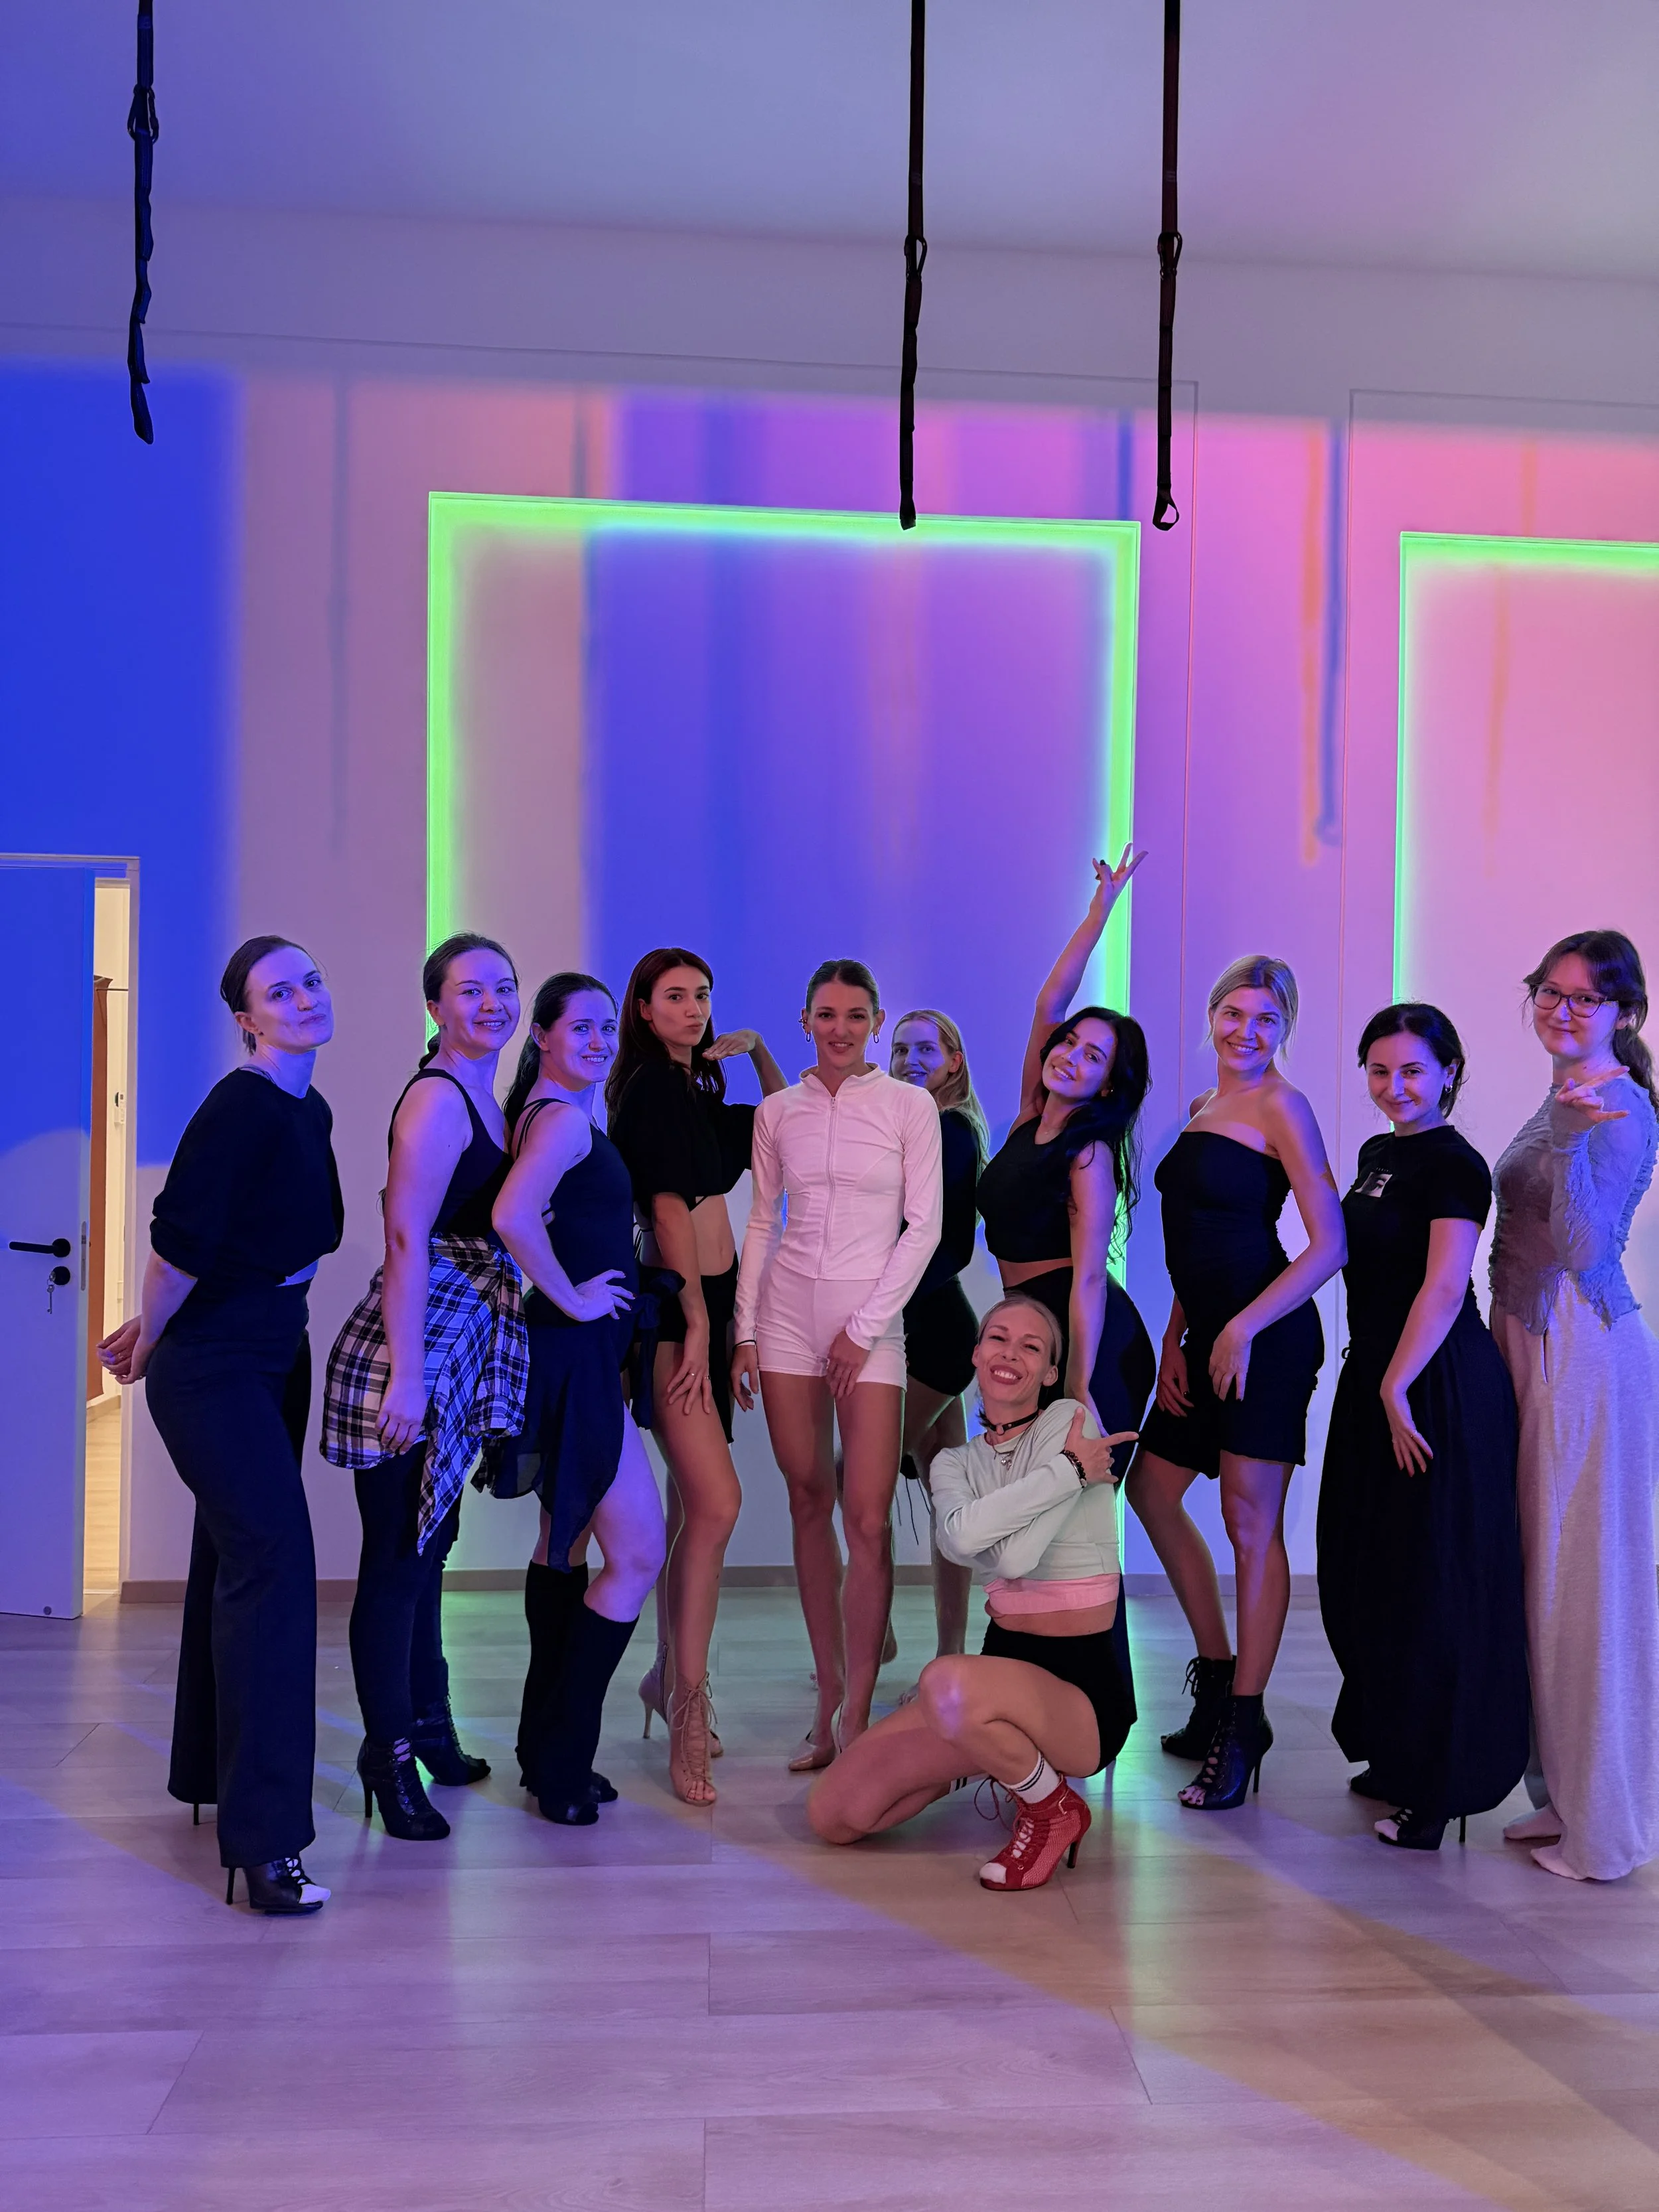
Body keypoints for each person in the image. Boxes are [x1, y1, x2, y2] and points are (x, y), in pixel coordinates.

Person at [99, 938, 342, 1915]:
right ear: (247, 1017)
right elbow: (177, 1248)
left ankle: (207, 1773)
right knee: (275, 1566)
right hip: (212, 1366)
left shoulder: (304, 1105)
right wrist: (152, 1336)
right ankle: (268, 1845)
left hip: (275, 1345)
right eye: (278, 992)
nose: (303, 999)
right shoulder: (238, 1110)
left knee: (232, 1557)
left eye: (310, 981)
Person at [808, 1296, 1138, 1890]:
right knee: (834, 1811)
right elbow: (959, 1538)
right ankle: (998, 1760)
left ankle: (1053, 1807)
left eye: (1031, 1346)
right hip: (994, 1683)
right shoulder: (954, 1463)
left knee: (942, 1680)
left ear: (1050, 1372)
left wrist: (1054, 1468)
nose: (1010, 1352)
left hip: (1083, 1697)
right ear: (976, 1353)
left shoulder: (1070, 1424)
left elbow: (1013, 1556)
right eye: (997, 1338)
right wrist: (1068, 1473)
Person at [320, 935, 526, 1842]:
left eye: (505, 988)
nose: (493, 1003)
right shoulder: (438, 1102)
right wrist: (409, 1377)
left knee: (430, 1547)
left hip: (450, 1345)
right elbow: (405, 1239)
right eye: (471, 990)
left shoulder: (484, 1091)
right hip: (408, 1357)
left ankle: (432, 1729)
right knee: (397, 1567)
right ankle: (387, 1760)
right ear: (435, 1006)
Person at [1127, 954, 1345, 1810]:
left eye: (1266, 1020)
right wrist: (1180, 1340)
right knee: (1149, 1490)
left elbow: (1329, 1244)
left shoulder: (1283, 1106)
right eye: (1234, 1014)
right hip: (1209, 1339)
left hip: (1269, 1337)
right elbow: (1196, 1246)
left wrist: (1242, 1327)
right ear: (1212, 1014)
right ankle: (1217, 1674)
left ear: (1282, 1028)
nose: (1246, 1032)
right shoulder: (1201, 1108)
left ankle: (1246, 1722)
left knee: (1249, 1525)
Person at [1316, 1004, 1528, 1850]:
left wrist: (1397, 1385)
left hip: (1433, 1383)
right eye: (1378, 1070)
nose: (1393, 1087)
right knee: (1367, 1567)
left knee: (1433, 1584)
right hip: (1378, 1376)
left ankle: (1439, 1789)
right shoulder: (1378, 1155)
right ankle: (1397, 1753)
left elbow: (1443, 1288)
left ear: (1447, 1071)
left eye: (1411, 1071)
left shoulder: (1455, 1164)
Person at [732, 959, 943, 1763]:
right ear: (805, 1020)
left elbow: (922, 1228)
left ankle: (859, 1713)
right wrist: (746, 1331)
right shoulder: (778, 1111)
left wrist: (864, 1326)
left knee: (868, 1515)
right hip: (786, 1314)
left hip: (871, 1320)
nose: (841, 1029)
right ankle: (826, 1707)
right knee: (806, 1498)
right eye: (826, 1014)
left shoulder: (908, 1106)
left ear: (876, 1023)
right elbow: (761, 1222)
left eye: (856, 1016)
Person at [1489, 930, 1659, 1882]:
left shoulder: (1617, 1105)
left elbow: (1589, 1247)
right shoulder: (1568, 1091)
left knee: (1580, 1590)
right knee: (1540, 1582)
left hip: (1580, 1350)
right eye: (1549, 992)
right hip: (1531, 1342)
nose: (1562, 1009)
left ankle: (1603, 1829)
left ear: (1622, 1013)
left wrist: (1568, 1133)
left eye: (1585, 998)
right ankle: (1560, 1796)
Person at [974, 853, 1156, 1708]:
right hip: (1027, 1327)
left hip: (1081, 1337)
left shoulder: (1087, 1147)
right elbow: (1052, 998)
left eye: (1094, 1058)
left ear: (1109, 1084)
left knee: (1070, 1525)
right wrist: (1101, 905)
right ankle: (1018, 1701)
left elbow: (1089, 1276)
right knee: (1025, 1520)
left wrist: (1077, 1388)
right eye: (1071, 1045)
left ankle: (1092, 1712)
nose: (1072, 1056)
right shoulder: (1024, 1116)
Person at [607, 946, 787, 1803]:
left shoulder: (700, 1088)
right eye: (674, 996)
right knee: (717, 1504)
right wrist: (701, 1321)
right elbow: (671, 1205)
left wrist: (751, 1050)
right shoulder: (649, 1090)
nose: (692, 1007)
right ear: (643, 1009)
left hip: (707, 1309)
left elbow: (785, 1117)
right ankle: (686, 1701)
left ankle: (665, 1675)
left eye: (703, 995)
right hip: (681, 1310)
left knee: (693, 1507)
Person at [490, 972, 667, 1826]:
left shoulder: (562, 1113)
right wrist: (572, 1297)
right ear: (545, 1038)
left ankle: (545, 1753)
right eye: (581, 1028)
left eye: (606, 1028)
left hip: (576, 1359)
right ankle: (561, 1760)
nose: (598, 1040)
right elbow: (513, 1215)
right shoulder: (560, 1121)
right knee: (634, 1554)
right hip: (571, 1357)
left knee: (563, 1549)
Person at [890, 1009, 990, 1660]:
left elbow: (943, 1245)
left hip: (934, 1331)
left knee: (854, 1476)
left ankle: (877, 1638)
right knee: (947, 1501)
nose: (912, 1059)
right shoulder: (916, 1125)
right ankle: (950, 1657)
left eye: (926, 1048)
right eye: (900, 1050)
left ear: (953, 1060)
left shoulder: (949, 1130)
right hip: (929, 1325)